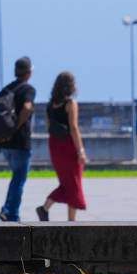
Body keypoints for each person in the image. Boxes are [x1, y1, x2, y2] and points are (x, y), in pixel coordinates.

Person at [37, 71, 88, 221]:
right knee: (73, 183)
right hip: (68, 146)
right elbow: (73, 127)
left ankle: (45, 208)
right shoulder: (70, 103)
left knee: (67, 183)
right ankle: (71, 222)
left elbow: (49, 127)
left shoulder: (50, 106)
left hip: (54, 145)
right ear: (71, 86)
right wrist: (81, 151)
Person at [0, 56, 36, 222]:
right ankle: (12, 213)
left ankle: (7, 208)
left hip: (5, 143)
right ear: (28, 72)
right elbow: (27, 108)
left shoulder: (5, 90)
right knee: (19, 179)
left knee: (16, 176)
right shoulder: (28, 89)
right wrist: (16, 127)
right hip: (20, 142)